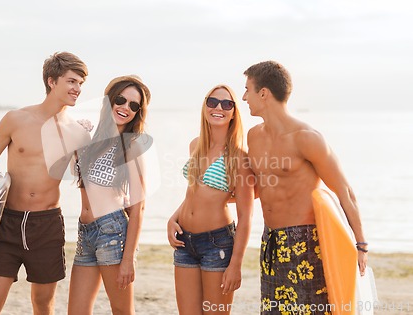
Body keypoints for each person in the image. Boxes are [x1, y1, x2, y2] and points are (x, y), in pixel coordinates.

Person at [0, 52, 89, 315]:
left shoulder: (78, 133)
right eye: (72, 81)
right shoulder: (15, 119)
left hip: (47, 226)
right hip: (6, 223)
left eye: (80, 84)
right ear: (52, 81)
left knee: (43, 304)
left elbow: (88, 180)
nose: (77, 89)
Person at [242, 61, 368, 314]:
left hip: (306, 244)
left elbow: (345, 191)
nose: (244, 97)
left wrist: (361, 244)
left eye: (248, 89)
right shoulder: (253, 136)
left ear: (263, 93)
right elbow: (257, 188)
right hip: (271, 241)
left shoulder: (306, 137)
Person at [167, 85, 255, 315]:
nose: (218, 108)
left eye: (227, 104)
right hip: (185, 242)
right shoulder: (195, 145)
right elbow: (194, 194)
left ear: (234, 112)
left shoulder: (239, 158)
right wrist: (173, 218)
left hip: (218, 245)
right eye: (212, 101)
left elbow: (246, 217)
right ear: (205, 106)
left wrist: (236, 265)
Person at [68, 75, 151, 315]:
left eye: (133, 105)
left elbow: (139, 207)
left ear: (138, 112)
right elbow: (79, 174)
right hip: (85, 233)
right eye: (121, 100)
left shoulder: (133, 144)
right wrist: (77, 139)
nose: (126, 107)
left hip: (112, 233)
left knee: (122, 311)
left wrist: (128, 259)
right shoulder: (92, 140)